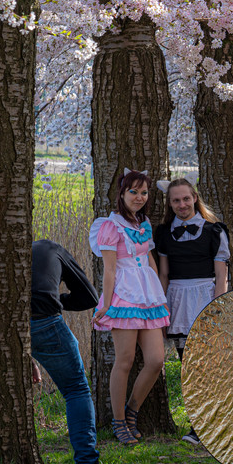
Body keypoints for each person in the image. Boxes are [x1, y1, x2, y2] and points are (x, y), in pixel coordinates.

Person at [90, 168, 170, 446]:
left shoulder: (143, 223)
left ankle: (133, 411)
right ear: (122, 194)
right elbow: (109, 270)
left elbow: (149, 260)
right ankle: (118, 421)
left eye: (144, 192)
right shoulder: (109, 226)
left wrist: (158, 295)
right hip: (123, 295)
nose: (138, 197)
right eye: (133, 191)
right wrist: (108, 304)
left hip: (147, 296)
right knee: (123, 361)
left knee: (156, 360)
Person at [30, 239, 116, 464]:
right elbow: (89, 296)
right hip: (46, 322)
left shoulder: (1, 260)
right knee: (76, 390)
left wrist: (26, 355)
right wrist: (58, 300)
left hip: (6, 328)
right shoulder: (50, 248)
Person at [154, 178, 230, 446]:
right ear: (170, 203)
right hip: (177, 300)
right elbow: (163, 273)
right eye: (176, 200)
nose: (182, 204)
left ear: (195, 197)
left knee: (207, 365)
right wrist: (162, 307)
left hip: (204, 299)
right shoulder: (163, 232)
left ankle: (211, 422)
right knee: (189, 365)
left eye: (186, 199)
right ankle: (199, 421)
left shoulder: (215, 231)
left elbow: (221, 276)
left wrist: (216, 310)